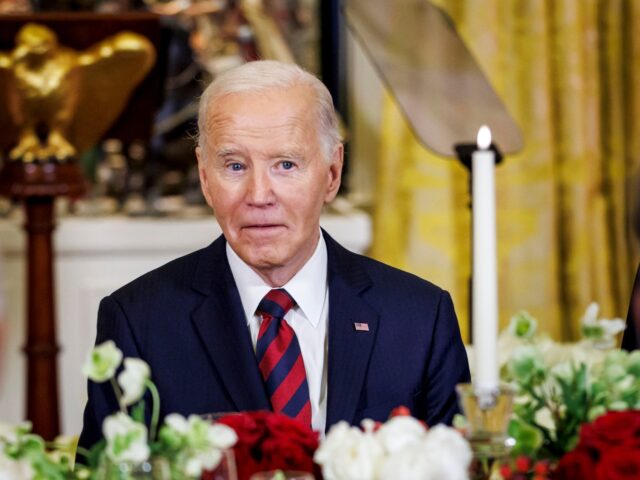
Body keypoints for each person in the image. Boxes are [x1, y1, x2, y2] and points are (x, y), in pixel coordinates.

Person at [78, 60, 470, 451]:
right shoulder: (138, 321)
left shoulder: (420, 318)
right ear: (203, 176)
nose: (259, 195)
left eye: (285, 164)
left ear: (332, 173)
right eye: (234, 166)